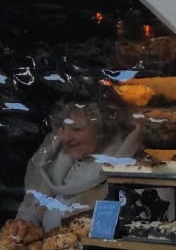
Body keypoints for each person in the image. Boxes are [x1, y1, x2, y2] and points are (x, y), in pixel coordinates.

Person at [18, 97, 143, 231]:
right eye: (61, 127)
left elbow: (120, 237)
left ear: (103, 130)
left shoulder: (133, 173)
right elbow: (25, 221)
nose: (66, 137)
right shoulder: (54, 167)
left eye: (76, 129)